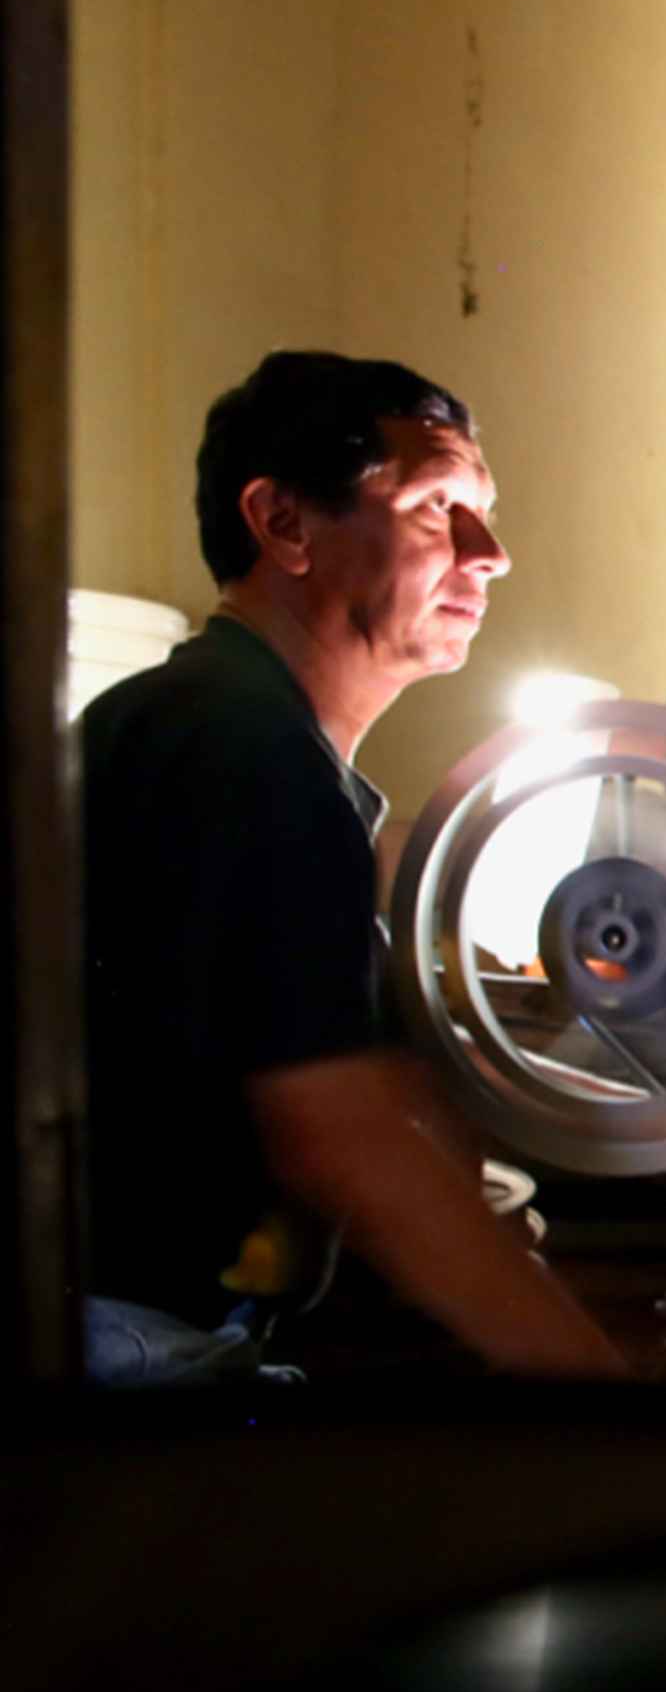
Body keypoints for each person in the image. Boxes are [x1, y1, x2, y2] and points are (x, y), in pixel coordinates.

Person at [78, 350, 623, 1385]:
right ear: (282, 522)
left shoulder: (217, 724)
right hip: (132, 1353)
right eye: (435, 507)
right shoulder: (250, 750)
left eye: (487, 511)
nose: (490, 552)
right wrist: (608, 1400)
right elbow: (339, 1135)